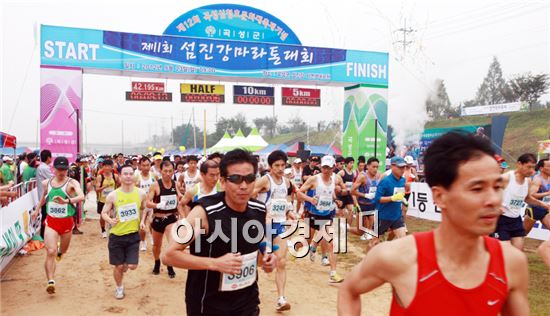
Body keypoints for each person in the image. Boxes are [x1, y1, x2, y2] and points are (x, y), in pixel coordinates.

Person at [338, 132, 529, 315]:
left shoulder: (512, 264)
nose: (493, 200)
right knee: (374, 238)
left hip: (395, 216)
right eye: (477, 189)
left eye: (497, 187)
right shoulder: (396, 257)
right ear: (439, 196)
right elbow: (349, 290)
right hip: (381, 214)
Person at [162, 149, 276, 316]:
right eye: (236, 179)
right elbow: (169, 255)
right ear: (222, 181)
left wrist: (265, 260)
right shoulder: (203, 212)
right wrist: (215, 264)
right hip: (209, 304)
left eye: (249, 179)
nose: (244, 185)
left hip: (248, 302)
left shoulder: (259, 210)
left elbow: (252, 254)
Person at [31, 157, 85, 294]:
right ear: (53, 169)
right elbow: (44, 197)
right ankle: (50, 281)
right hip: (51, 222)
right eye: (59, 169)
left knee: (63, 250)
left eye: (64, 169)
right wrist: (37, 210)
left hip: (67, 222)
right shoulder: (46, 183)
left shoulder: (72, 183)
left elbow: (81, 196)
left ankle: (61, 251)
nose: (62, 172)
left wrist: (66, 201)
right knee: (50, 251)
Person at [253, 150, 296, 311]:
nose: (280, 168)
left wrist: (289, 212)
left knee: (282, 261)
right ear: (270, 166)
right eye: (276, 165)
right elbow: (249, 195)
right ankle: (249, 292)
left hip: (278, 225)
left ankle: (281, 299)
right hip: (262, 227)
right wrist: (259, 212)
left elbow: (283, 201)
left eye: (282, 165)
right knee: (258, 262)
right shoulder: (265, 180)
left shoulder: (286, 182)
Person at [101, 164, 147, 299]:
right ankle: (119, 288)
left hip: (133, 235)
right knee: (119, 266)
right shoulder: (113, 195)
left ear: (134, 176)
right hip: (116, 236)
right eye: (125, 174)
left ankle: (126, 263)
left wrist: (143, 221)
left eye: (130, 173)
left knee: (132, 266)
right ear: (120, 177)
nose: (128, 176)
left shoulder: (141, 193)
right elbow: (104, 213)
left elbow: (144, 208)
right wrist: (110, 220)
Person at [298, 155, 346, 283]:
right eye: (324, 167)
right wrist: (310, 200)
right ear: (320, 166)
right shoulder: (314, 179)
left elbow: (331, 194)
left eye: (329, 168)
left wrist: (336, 201)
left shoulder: (333, 181)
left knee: (331, 243)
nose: (326, 170)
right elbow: (299, 192)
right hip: (313, 215)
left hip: (326, 215)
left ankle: (333, 273)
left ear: (333, 167)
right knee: (306, 241)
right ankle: (295, 252)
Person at [493, 153, 550, 250]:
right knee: (505, 251)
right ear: (519, 164)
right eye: (528, 167)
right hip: (501, 219)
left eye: (533, 168)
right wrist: (496, 206)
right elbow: (488, 192)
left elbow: (527, 198)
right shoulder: (506, 178)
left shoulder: (527, 181)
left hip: (516, 219)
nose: (531, 171)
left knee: (518, 251)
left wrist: (542, 204)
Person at [146, 160, 181, 278]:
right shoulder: (155, 185)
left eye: (170, 171)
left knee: (172, 243)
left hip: (171, 218)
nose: (168, 173)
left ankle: (169, 265)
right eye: (165, 171)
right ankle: (157, 263)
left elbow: (179, 200)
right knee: (156, 245)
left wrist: (183, 216)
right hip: (157, 219)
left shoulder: (175, 184)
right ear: (160, 171)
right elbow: (147, 202)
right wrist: (157, 205)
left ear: (173, 171)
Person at [370, 156, 407, 245]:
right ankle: (366, 258)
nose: (402, 170)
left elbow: (399, 194)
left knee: (403, 241)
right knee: (374, 243)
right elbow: (377, 199)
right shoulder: (385, 181)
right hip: (382, 217)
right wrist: (392, 198)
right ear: (392, 166)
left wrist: (403, 199)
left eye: (404, 167)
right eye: (400, 167)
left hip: (396, 216)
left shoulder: (403, 180)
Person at [351, 157, 381, 240]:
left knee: (373, 228)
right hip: (362, 205)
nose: (375, 169)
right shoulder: (362, 176)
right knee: (359, 231)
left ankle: (369, 234)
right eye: (373, 167)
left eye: (377, 167)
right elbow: (352, 191)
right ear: (367, 166)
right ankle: (345, 228)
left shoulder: (378, 175)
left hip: (372, 204)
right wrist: (365, 195)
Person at [134, 156, 157, 251]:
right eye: (144, 165)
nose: (146, 167)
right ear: (140, 166)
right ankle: (142, 242)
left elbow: (157, 188)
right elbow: (133, 191)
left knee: (152, 222)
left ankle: (151, 235)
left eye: (148, 165)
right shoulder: (136, 177)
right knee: (141, 224)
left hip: (151, 203)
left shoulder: (153, 175)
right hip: (141, 205)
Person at [524, 158, 550, 235]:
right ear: (541, 168)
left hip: (545, 210)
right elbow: (531, 195)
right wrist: (547, 193)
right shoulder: (537, 180)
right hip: (534, 210)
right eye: (549, 166)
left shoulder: (548, 178)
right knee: (522, 235)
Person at [96, 159, 119, 238]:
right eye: (105, 166)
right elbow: (97, 189)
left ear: (112, 167)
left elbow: (119, 185)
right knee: (102, 216)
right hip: (103, 200)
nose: (107, 168)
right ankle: (103, 230)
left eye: (109, 166)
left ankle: (112, 227)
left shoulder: (115, 176)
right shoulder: (100, 177)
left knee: (113, 214)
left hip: (113, 200)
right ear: (103, 167)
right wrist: (103, 187)